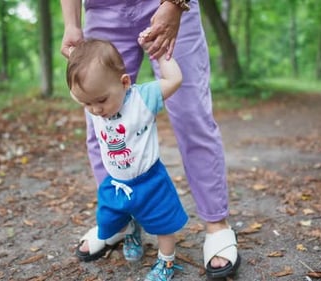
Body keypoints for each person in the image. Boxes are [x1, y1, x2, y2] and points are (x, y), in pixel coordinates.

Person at [60, 0, 241, 280]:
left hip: (167, 3)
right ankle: (119, 221)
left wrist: (174, 3)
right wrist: (71, 23)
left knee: (192, 115)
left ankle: (217, 224)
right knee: (100, 120)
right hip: (103, 8)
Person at [66, 37, 188, 280]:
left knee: (164, 224)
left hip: (150, 181)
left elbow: (174, 80)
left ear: (124, 82)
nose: (95, 110)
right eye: (87, 103)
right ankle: (130, 229)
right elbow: (78, 91)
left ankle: (166, 261)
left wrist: (160, 52)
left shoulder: (143, 98)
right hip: (116, 182)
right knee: (109, 219)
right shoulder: (92, 100)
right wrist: (74, 58)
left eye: (101, 101)